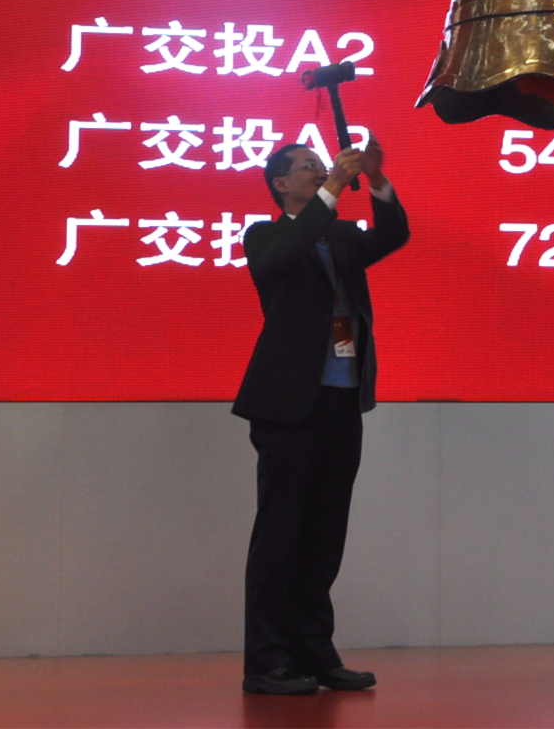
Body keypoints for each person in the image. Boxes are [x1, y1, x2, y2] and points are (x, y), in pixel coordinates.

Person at [233, 139, 409, 696]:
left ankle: (315, 651)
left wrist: (376, 181)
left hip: (343, 400)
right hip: (288, 404)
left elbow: (393, 235)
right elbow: (285, 256)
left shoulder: (341, 236)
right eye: (307, 167)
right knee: (279, 534)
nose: (320, 169)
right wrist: (332, 187)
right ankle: (267, 661)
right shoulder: (264, 236)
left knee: (324, 535)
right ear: (280, 184)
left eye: (321, 164)